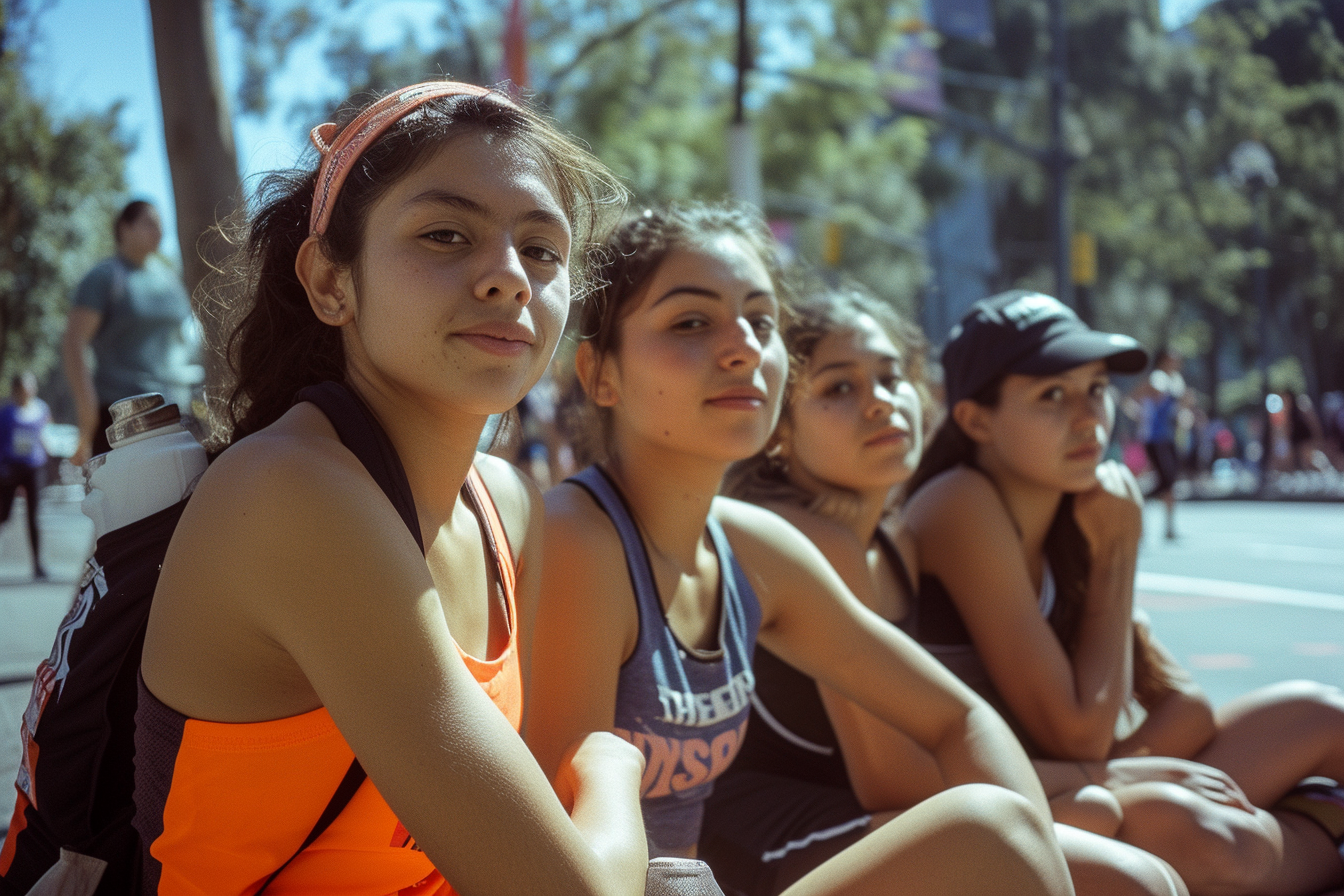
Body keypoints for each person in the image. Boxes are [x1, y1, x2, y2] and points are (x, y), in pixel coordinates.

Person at [134, 80, 649, 894]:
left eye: (544, 250)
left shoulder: (508, 504)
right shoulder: (289, 494)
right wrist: (616, 768)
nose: (510, 278)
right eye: (446, 235)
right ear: (331, 283)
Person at [527, 203, 1076, 896]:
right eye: (692, 322)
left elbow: (959, 718)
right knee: (996, 834)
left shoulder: (754, 548)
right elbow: (553, 848)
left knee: (1022, 839)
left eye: (760, 322)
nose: (744, 348)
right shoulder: (579, 541)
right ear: (600, 372)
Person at [701, 285, 1187, 896]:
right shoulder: (808, 535)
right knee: (1127, 872)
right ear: (779, 431)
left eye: (890, 377)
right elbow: (896, 777)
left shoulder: (897, 543)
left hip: (864, 813)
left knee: (1107, 828)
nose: (880, 402)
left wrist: (1092, 777)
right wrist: (1094, 771)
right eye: (839, 388)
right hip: (765, 836)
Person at [901, 290, 1344, 896]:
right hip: (986, 801)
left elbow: (1184, 707)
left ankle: (1303, 829)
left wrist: (1120, 765)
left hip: (1072, 779)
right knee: (1198, 832)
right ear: (976, 419)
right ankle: (1324, 830)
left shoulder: (1072, 507)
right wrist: (1117, 549)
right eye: (1051, 395)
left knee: (1324, 715)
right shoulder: (960, 504)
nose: (1088, 419)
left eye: (1097, 389)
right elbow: (1078, 733)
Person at [61, 199, 203, 465]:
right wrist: (86, 410)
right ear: (124, 228)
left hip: (175, 412)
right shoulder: (105, 277)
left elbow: (185, 340)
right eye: (149, 223)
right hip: (121, 417)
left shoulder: (169, 278)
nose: (159, 232)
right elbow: (74, 342)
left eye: (161, 226)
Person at [1129, 349, 1185, 540]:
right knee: (1165, 481)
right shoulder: (1157, 378)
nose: (1177, 362)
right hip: (1155, 438)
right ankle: (1137, 501)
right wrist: (1140, 414)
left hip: (1170, 438)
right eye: (1173, 358)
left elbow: (1180, 407)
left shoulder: (1176, 380)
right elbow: (1132, 398)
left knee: (1170, 484)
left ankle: (1169, 528)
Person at [0, 371, 51, 579]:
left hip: (34, 468)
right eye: (22, 387)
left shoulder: (41, 410)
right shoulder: (6, 414)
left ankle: (38, 565)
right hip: (10, 469)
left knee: (34, 516)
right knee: (3, 515)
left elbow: (46, 436)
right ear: (16, 389)